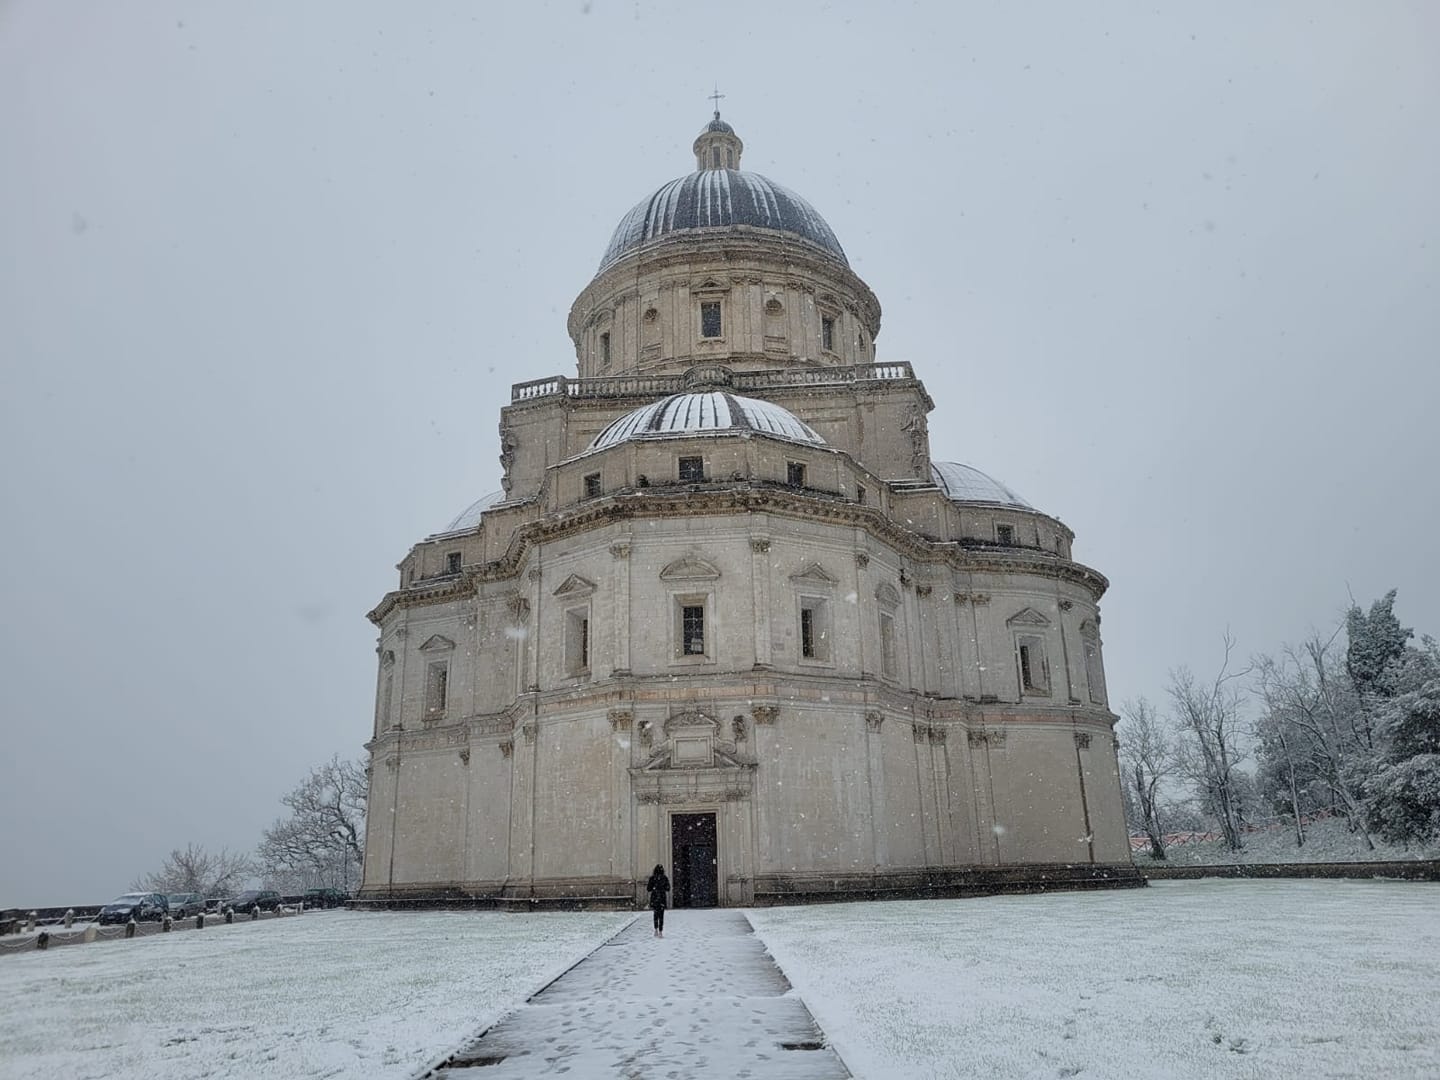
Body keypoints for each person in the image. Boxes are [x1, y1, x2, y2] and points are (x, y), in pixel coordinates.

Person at [646, 863, 670, 937]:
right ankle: (660, 931)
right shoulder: (664, 878)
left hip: (655, 897)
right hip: (662, 898)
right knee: (661, 915)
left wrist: (654, 887)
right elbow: (668, 888)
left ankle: (656, 929)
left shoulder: (652, 878)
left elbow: (648, 889)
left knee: (655, 914)